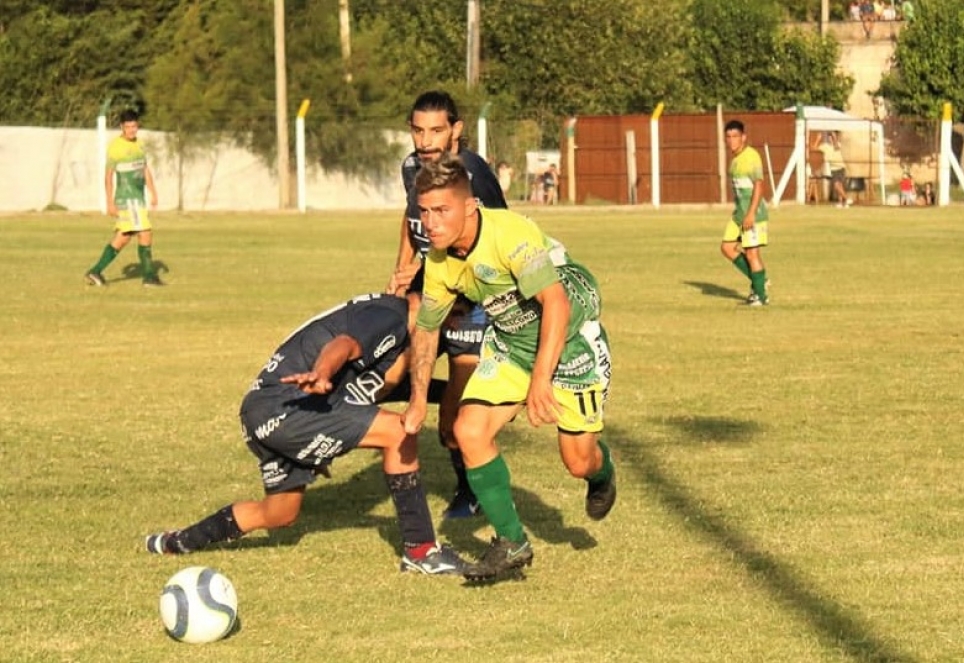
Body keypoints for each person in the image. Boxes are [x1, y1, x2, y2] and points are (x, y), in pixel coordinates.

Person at [144, 292, 471, 576]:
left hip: (265, 410)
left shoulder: (396, 330)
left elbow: (390, 386)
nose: (455, 327)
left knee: (279, 514)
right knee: (400, 432)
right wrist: (322, 373)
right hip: (287, 406)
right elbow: (343, 344)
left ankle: (175, 542)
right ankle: (421, 551)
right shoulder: (391, 316)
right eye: (456, 315)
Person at [402, 154, 616, 582]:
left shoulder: (508, 234)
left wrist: (540, 381)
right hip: (510, 342)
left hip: (569, 341)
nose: (431, 223)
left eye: (441, 211)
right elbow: (427, 330)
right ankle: (512, 543)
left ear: (470, 206)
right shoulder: (440, 262)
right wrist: (416, 400)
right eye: (423, 212)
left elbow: (554, 303)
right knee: (468, 430)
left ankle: (603, 472)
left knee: (578, 461)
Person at [388, 90, 509, 520]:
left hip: (473, 304)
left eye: (436, 130)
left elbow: (497, 240)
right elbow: (411, 216)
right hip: (430, 290)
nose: (425, 141)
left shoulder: (473, 174)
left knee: (451, 426)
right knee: (385, 377)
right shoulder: (412, 167)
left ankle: (469, 490)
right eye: (418, 130)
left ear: (456, 130)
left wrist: (464, 289)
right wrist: (403, 269)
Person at [85, 109, 163, 287]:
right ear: (121, 127)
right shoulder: (116, 147)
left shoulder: (140, 145)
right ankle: (149, 276)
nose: (131, 130)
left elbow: (144, 169)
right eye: (127, 127)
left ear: (138, 126)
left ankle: (95, 271)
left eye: (134, 126)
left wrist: (153, 191)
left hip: (138, 198)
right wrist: (109, 202)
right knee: (145, 233)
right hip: (128, 199)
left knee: (123, 237)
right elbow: (108, 176)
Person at [721, 120, 771, 307]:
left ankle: (761, 296)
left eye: (735, 136)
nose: (731, 140)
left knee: (752, 254)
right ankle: (760, 280)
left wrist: (750, 214)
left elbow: (759, 185)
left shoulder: (751, 157)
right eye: (728, 137)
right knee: (727, 247)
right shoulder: (734, 161)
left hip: (753, 214)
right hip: (739, 214)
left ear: (743, 137)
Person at [819, 132, 852, 208]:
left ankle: (844, 201)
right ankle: (844, 201)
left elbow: (836, 147)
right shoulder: (825, 146)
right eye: (830, 138)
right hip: (833, 168)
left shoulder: (838, 144)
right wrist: (818, 139)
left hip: (840, 167)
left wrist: (834, 138)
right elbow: (814, 147)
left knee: (838, 186)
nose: (831, 139)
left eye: (832, 137)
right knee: (837, 186)